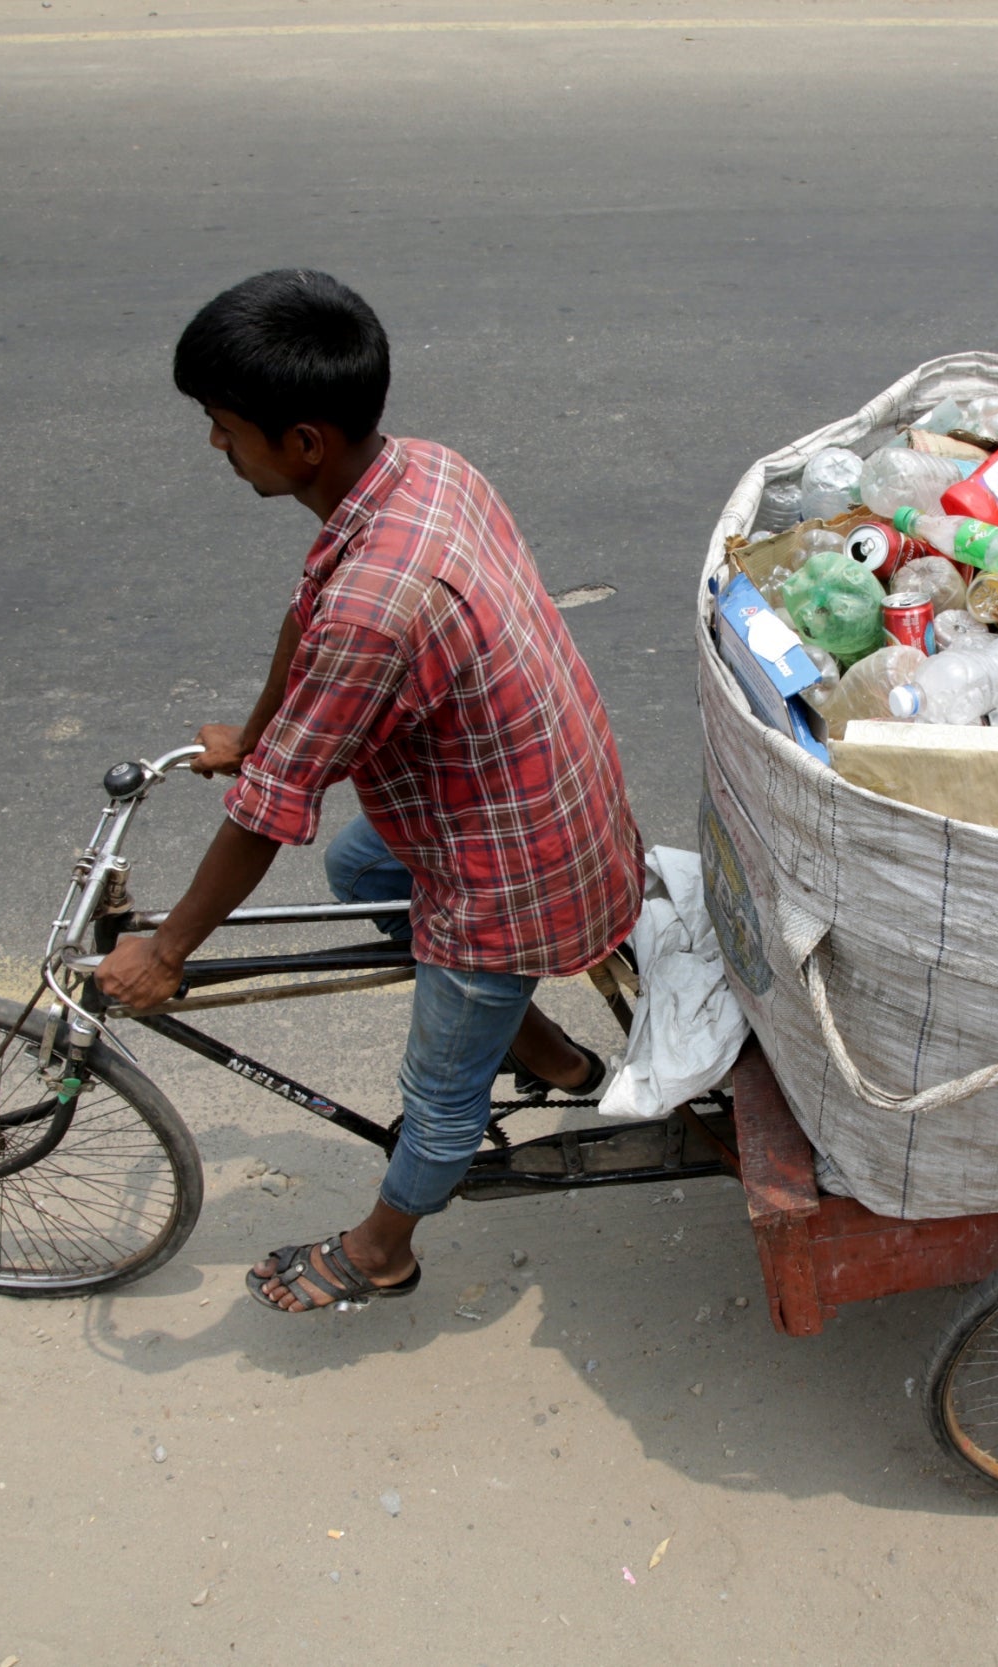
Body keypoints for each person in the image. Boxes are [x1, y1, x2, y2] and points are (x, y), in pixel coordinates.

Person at [94, 269, 644, 1316]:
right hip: (538, 797)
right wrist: (253, 734)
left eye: (222, 426)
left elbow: (266, 816)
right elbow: (308, 617)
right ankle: (558, 1058)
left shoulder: (375, 605)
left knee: (438, 1091)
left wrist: (166, 952)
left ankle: (385, 1248)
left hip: (513, 870)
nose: (215, 444)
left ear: (302, 440)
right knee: (359, 865)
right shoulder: (419, 472)